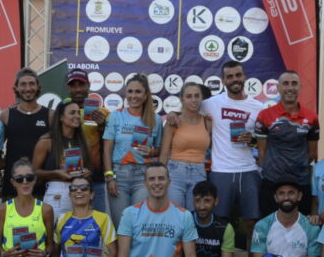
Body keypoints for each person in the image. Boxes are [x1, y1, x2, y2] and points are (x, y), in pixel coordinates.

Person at [116, 162, 197, 257]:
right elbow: (122, 255)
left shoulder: (184, 216)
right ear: (145, 183)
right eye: (152, 179)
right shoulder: (130, 214)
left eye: (161, 178)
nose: (157, 183)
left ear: (169, 182)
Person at [199, 60, 262, 238]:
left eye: (238, 75)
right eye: (230, 77)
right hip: (221, 171)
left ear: (244, 77)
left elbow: (265, 142)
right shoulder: (210, 103)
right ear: (223, 80)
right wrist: (173, 114)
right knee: (218, 222)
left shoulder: (258, 107)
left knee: (252, 222)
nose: (235, 79)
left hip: (249, 170)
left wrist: (253, 140)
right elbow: (188, 110)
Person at [255, 70, 320, 216]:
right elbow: (262, 153)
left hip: (300, 182)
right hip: (272, 182)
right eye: (285, 84)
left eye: (294, 83)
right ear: (278, 88)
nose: (290, 88)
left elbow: (312, 154)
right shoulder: (264, 115)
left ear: (300, 88)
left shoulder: (312, 117)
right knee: (269, 227)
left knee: (301, 227)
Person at [103, 73, 162, 222]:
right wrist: (110, 177)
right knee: (121, 224)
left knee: (139, 224)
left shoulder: (156, 119)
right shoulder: (116, 116)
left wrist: (152, 152)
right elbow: (107, 150)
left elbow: (160, 148)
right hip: (119, 175)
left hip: (143, 176)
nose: (133, 96)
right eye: (130, 91)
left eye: (138, 92)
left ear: (145, 94)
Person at [32, 99, 92, 219]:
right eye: (72, 113)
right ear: (61, 117)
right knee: (56, 234)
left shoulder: (83, 141)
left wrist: (86, 172)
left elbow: (90, 169)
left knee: (79, 235)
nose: (77, 116)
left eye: (78, 113)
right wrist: (56, 173)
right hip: (57, 192)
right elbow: (34, 172)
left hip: (81, 192)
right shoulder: (47, 141)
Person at [159, 81, 212, 209]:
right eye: (189, 96)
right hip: (175, 172)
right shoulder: (173, 121)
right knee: (175, 214)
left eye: (196, 96)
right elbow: (164, 153)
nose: (193, 100)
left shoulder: (207, 122)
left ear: (201, 98)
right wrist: (160, 177)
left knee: (195, 216)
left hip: (199, 172)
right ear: (182, 99)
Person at [64, 67, 110, 210]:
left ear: (88, 86)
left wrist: (102, 127)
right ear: (69, 88)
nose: (77, 89)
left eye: (81, 84)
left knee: (97, 223)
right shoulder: (61, 110)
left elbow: (110, 146)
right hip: (68, 178)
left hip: (96, 179)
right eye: (73, 85)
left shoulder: (102, 113)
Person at [0, 68, 51, 199]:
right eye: (23, 84)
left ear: (38, 86)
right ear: (16, 87)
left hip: (41, 189)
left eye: (31, 83)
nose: (28, 88)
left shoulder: (50, 115)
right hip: (12, 188)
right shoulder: (6, 115)